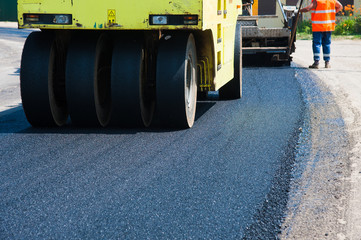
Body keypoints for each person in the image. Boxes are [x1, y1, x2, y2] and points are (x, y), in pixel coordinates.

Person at [300, 0, 343, 69]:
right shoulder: (332, 1)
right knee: (327, 44)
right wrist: (333, 13)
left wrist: (298, 10)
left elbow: (308, 9)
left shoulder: (317, 1)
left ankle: (316, 63)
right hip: (328, 26)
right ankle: (327, 63)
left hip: (318, 26)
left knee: (317, 44)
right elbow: (340, 6)